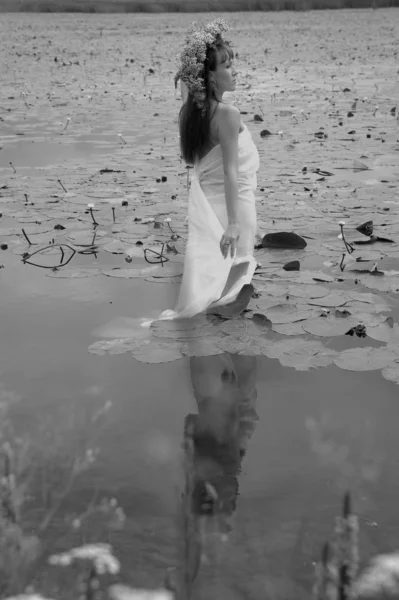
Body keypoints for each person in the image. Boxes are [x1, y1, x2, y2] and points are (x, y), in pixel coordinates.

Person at [143, 18, 260, 326]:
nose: (234, 71)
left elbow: (186, 83)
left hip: (208, 209)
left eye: (233, 63)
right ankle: (227, 349)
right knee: (232, 288)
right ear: (209, 75)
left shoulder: (190, 113)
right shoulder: (227, 115)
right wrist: (233, 224)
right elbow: (231, 172)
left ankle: (212, 346)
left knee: (215, 285)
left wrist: (198, 52)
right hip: (236, 209)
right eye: (227, 66)